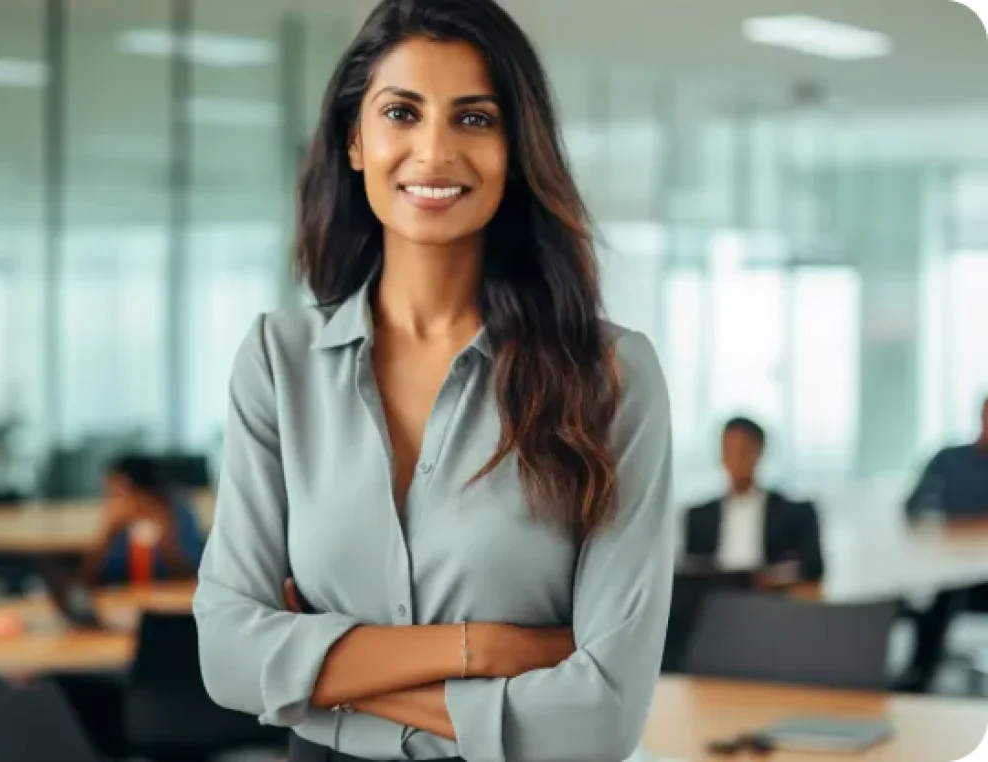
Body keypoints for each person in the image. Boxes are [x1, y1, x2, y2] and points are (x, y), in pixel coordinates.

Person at [192, 2, 674, 761]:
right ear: (355, 140)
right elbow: (226, 655)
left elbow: (601, 719)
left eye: (475, 119)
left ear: (517, 149)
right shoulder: (277, 361)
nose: (434, 149)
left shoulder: (611, 377)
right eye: (401, 113)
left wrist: (314, 672)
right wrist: (483, 649)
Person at [896, 395, 988, 692]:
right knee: (939, 597)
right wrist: (959, 525)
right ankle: (919, 675)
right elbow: (914, 509)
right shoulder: (950, 460)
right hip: (952, 569)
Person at [681, 417, 824, 583]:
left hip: (770, 599)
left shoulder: (794, 514)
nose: (736, 460)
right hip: (715, 600)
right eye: (729, 451)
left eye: (743, 451)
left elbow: (812, 569)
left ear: (759, 452)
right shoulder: (699, 517)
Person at [81, 455, 205, 585]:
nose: (114, 502)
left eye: (119, 494)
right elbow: (87, 580)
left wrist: (167, 538)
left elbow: (191, 577)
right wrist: (107, 536)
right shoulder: (118, 527)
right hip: (124, 602)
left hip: (170, 601)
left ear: (144, 493)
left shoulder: (180, 516)